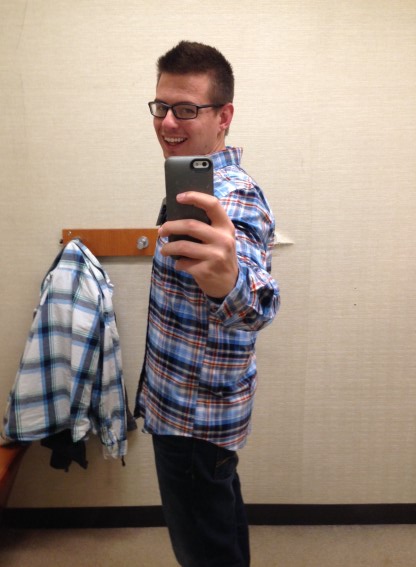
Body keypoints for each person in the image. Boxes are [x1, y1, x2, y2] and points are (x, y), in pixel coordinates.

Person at [134, 41, 280, 567]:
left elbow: (260, 302)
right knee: (220, 533)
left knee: (204, 551)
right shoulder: (193, 184)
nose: (168, 122)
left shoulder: (231, 197)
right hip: (197, 409)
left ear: (224, 117)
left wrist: (231, 283)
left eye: (187, 109)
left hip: (191, 421)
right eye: (162, 106)